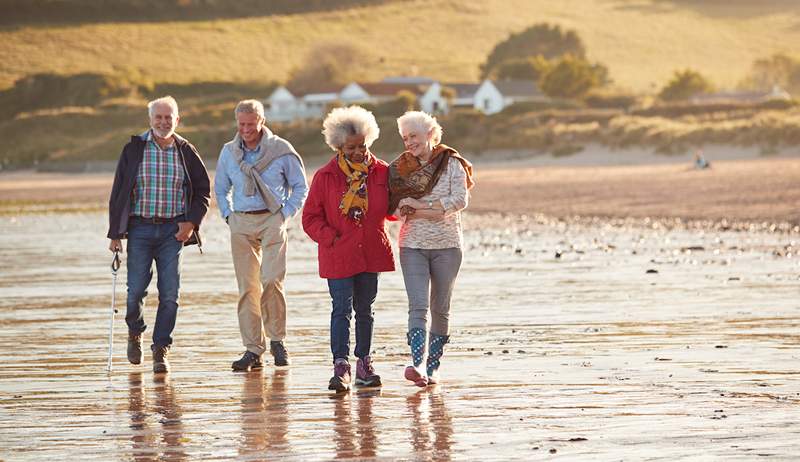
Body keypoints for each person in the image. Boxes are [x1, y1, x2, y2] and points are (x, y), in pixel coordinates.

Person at [107, 96, 211, 373]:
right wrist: (115, 234)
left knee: (170, 295)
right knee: (135, 292)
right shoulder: (134, 148)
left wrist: (191, 223)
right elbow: (118, 191)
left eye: (169, 118)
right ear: (150, 120)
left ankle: (161, 348)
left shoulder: (186, 150)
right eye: (159, 117)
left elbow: (202, 190)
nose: (164, 122)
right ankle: (135, 332)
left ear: (177, 120)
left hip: (172, 231)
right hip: (139, 228)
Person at [302, 106, 395, 392]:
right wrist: (330, 237)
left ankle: (364, 365)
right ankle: (340, 366)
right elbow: (309, 219)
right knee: (341, 310)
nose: (358, 152)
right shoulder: (325, 176)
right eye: (351, 147)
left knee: (365, 310)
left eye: (362, 145)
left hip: (371, 251)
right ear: (339, 146)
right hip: (338, 254)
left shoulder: (381, 171)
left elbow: (392, 209)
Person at [215, 100, 308, 371]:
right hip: (240, 223)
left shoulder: (281, 151)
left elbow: (300, 186)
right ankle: (253, 350)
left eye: (250, 124)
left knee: (271, 280)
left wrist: (284, 215)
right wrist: (228, 216)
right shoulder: (228, 153)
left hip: (272, 219)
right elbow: (221, 189)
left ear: (262, 122)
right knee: (247, 289)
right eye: (241, 124)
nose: (245, 129)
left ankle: (277, 341)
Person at [389, 111, 474, 387]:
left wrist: (420, 207)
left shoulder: (452, 164)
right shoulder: (400, 168)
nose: (409, 143)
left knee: (440, 308)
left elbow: (460, 199)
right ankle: (417, 365)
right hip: (411, 245)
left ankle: (434, 368)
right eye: (404, 138)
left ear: (430, 134)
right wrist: (410, 208)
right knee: (418, 306)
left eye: (413, 136)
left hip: (447, 246)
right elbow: (393, 206)